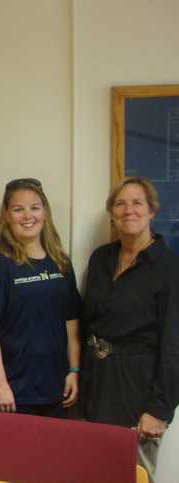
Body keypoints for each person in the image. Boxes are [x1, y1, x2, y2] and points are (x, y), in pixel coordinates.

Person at [81, 177, 179, 479]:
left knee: (132, 475)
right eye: (120, 203)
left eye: (137, 202)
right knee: (90, 473)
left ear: (151, 211)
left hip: (138, 394)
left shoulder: (168, 267)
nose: (129, 210)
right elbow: (87, 322)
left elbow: (174, 342)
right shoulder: (100, 259)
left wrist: (160, 409)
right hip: (94, 386)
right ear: (112, 212)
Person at [0, 178, 81, 417]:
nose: (28, 216)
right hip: (13, 393)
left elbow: (72, 320)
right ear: (7, 216)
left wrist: (74, 369)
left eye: (34, 207)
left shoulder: (61, 262)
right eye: (18, 209)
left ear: (45, 213)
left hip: (56, 388)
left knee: (53, 455)